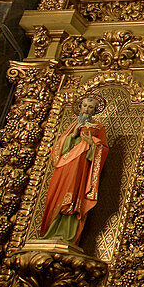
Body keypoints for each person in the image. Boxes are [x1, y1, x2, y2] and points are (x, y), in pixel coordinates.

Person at [40, 94, 109, 245]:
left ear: (95, 110)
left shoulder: (98, 128)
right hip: (65, 166)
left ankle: (67, 234)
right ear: (79, 107)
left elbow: (102, 149)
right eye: (84, 106)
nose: (87, 109)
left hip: (81, 168)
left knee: (73, 197)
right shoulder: (72, 126)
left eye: (91, 107)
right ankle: (49, 231)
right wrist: (72, 135)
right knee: (58, 194)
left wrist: (92, 143)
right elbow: (59, 149)